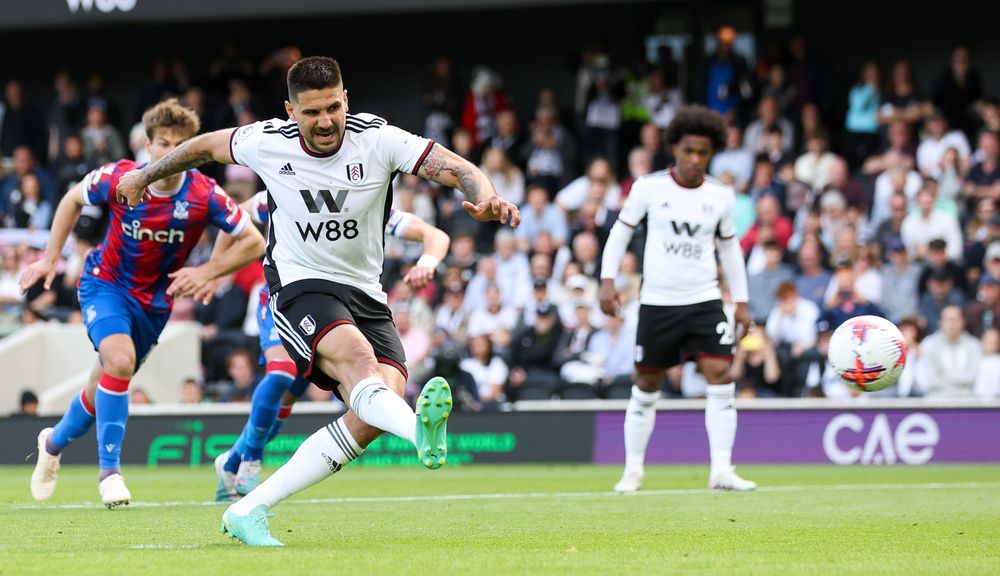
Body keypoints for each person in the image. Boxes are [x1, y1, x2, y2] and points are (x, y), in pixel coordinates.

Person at [115, 56, 520, 546]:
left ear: (346, 99)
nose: (326, 121)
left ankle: (249, 509)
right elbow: (201, 147)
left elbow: (457, 169)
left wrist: (487, 196)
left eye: (333, 107)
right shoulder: (266, 142)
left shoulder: (379, 139)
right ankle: (420, 432)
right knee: (358, 364)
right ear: (291, 111)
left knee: (372, 409)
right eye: (312, 112)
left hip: (366, 293)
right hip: (299, 284)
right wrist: (144, 175)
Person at [23, 99, 265, 507]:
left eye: (180, 146)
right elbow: (70, 200)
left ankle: (53, 441)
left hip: (155, 304)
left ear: (191, 152)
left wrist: (210, 272)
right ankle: (109, 473)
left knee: (100, 386)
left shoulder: (204, 194)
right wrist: (50, 257)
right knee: (119, 363)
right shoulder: (121, 177)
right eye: (163, 143)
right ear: (148, 146)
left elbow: (253, 242)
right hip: (106, 284)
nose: (170, 152)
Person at [210, 190, 450, 501]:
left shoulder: (368, 202)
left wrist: (427, 261)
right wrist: (214, 270)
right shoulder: (285, 187)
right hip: (287, 295)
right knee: (282, 374)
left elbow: (433, 234)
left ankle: (231, 461)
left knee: (292, 394)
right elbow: (233, 215)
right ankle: (250, 460)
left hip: (342, 306)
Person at [599, 105, 754, 493]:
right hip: (658, 301)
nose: (695, 159)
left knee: (721, 376)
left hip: (704, 300)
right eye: (688, 151)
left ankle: (721, 470)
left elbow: (730, 249)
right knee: (646, 383)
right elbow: (619, 234)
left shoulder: (721, 196)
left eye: (703, 152)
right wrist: (606, 280)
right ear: (675, 149)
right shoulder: (649, 188)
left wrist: (742, 300)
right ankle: (633, 470)